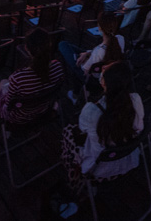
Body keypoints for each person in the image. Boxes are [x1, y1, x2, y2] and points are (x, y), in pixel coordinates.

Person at [60, 62, 144, 195]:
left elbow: (82, 129)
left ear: (104, 83)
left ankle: (81, 182)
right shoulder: (136, 100)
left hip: (98, 168)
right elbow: (139, 128)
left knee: (69, 131)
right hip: (127, 159)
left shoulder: (91, 110)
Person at [0, 28, 65, 143]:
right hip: (44, 111)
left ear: (27, 49)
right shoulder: (57, 67)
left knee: (2, 84)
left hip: (17, 120)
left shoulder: (18, 77)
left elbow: (8, 105)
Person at [58, 13, 126, 99]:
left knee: (62, 45)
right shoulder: (120, 39)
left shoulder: (99, 51)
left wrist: (83, 58)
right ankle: (76, 92)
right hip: (105, 67)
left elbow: (84, 69)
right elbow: (98, 53)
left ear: (100, 27)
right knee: (69, 46)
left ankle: (75, 96)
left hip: (92, 76)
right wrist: (87, 53)